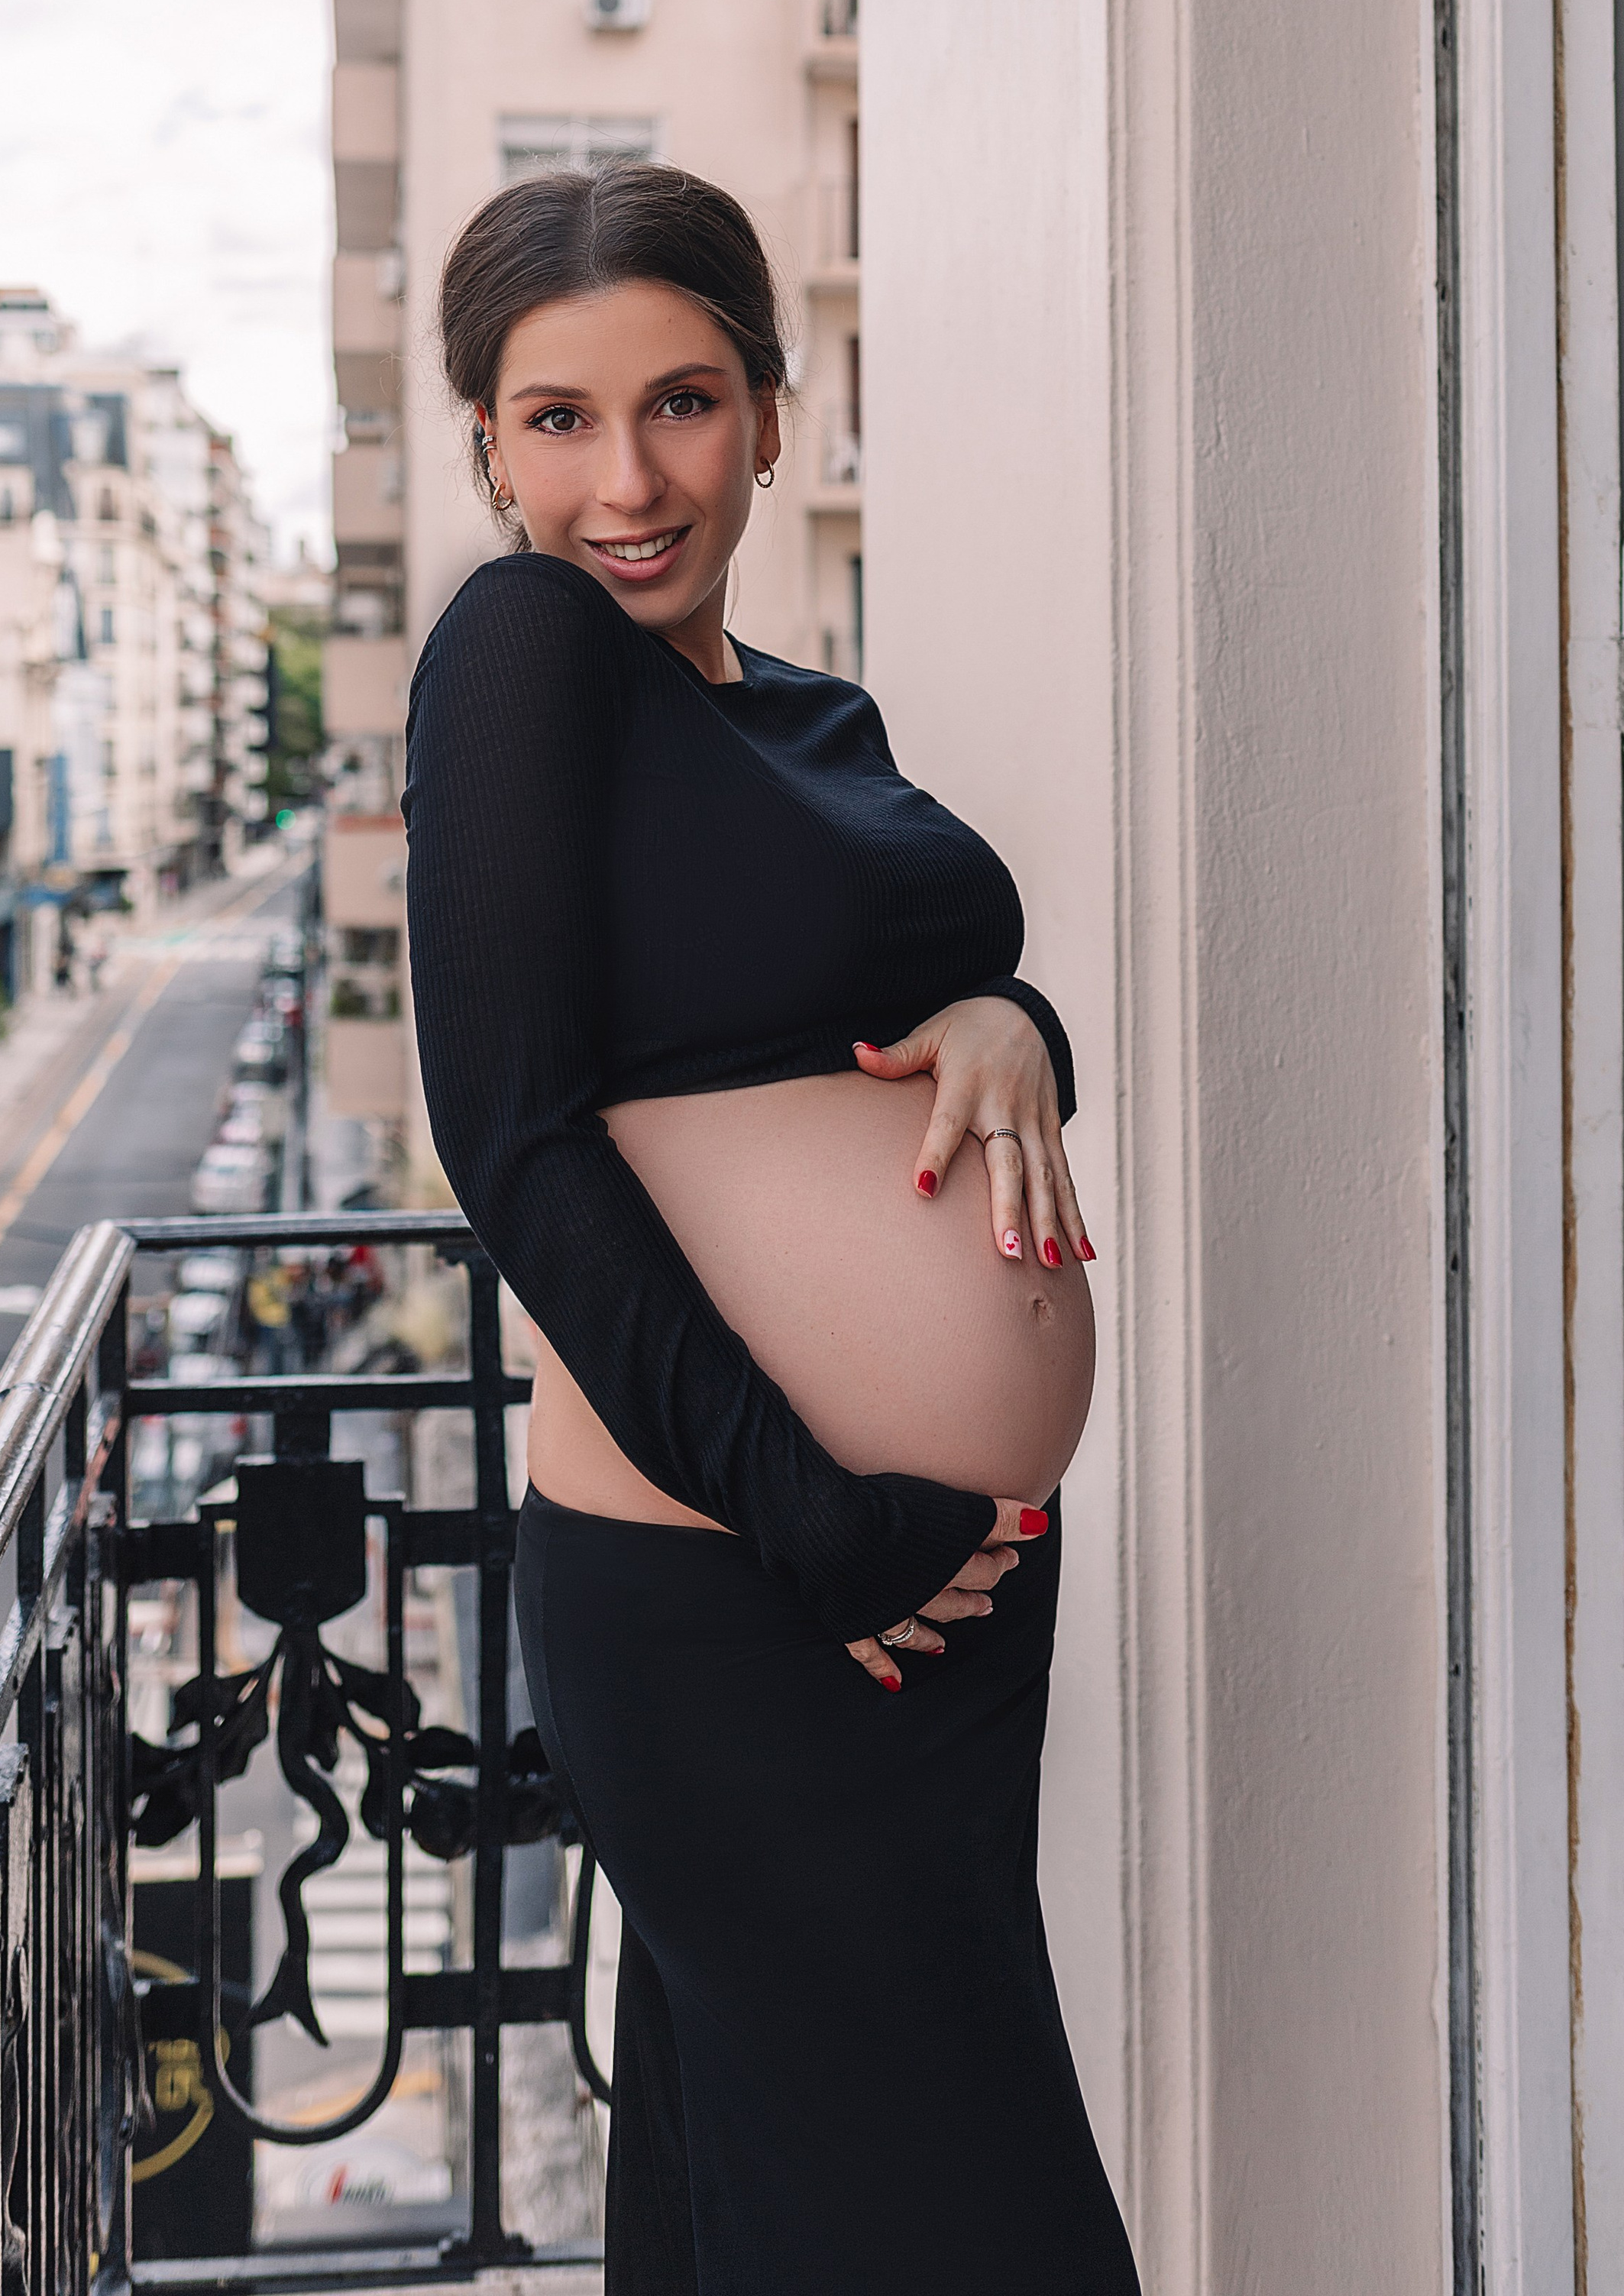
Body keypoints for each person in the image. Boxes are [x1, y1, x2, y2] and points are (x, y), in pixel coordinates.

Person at [404, 165, 1137, 2293]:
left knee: (781, 2188)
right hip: (745, 1581)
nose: (626, 480)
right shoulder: (525, 648)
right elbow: (515, 1138)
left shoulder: (815, 719)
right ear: (486, 445)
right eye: (557, 419)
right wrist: (820, 1519)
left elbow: (903, 993)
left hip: (929, 1584)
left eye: (683, 403)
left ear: (773, 414)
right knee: (955, 2215)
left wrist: (1022, 1021)